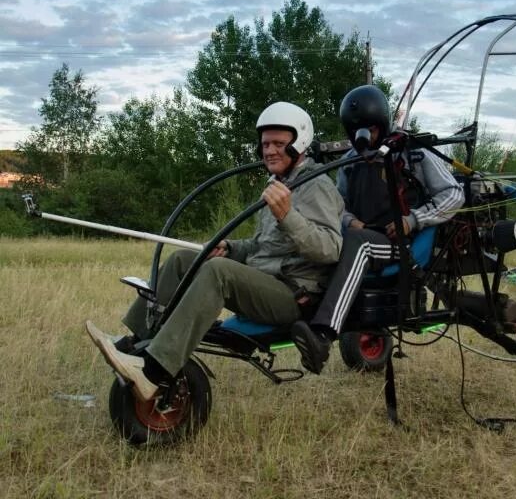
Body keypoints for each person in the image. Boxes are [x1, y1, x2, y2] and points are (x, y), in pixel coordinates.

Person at [86, 102, 344, 401]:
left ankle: (154, 372)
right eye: (265, 144)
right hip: (265, 282)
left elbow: (330, 250)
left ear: (299, 143)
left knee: (218, 273)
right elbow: (264, 247)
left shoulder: (317, 186)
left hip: (293, 295)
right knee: (184, 259)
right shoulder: (279, 183)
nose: (269, 151)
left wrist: (288, 216)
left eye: (278, 144)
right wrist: (231, 248)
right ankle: (135, 344)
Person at [291, 85, 465, 374]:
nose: (364, 137)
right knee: (325, 238)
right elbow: (338, 206)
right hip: (363, 236)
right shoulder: (350, 163)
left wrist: (414, 220)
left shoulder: (413, 153)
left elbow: (453, 194)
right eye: (358, 131)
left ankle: (323, 335)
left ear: (382, 126)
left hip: (405, 244)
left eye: (370, 130)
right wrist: (348, 221)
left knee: (360, 243)